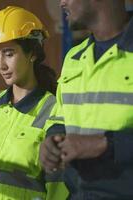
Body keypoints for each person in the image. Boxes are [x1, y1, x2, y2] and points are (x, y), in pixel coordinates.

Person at [0, 6, 68, 200]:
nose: (2, 65)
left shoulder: (54, 109)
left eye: (9, 54)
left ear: (32, 53)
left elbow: (58, 186)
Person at [39, 0, 133, 199]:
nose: (61, 2)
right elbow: (60, 117)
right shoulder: (74, 58)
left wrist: (106, 144)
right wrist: (52, 140)